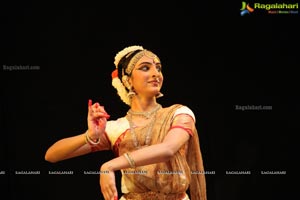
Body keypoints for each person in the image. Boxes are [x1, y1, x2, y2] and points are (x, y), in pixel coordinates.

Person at [45, 45, 207, 200]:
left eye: (158, 68)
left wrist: (108, 166)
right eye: (145, 68)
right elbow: (51, 156)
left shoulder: (179, 113)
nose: (156, 73)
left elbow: (168, 149)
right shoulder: (118, 128)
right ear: (127, 80)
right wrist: (90, 135)